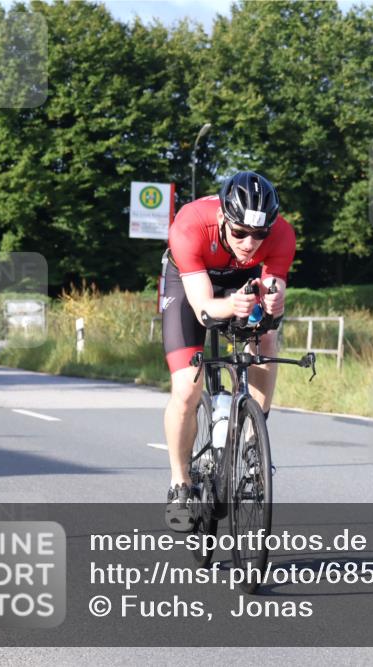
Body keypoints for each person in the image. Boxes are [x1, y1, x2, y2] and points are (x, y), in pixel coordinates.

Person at [161, 171, 295, 531]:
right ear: (223, 218)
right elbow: (204, 308)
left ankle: (252, 447)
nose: (250, 243)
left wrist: (274, 302)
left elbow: (273, 288)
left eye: (259, 235)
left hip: (242, 282)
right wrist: (231, 305)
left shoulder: (282, 233)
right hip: (191, 281)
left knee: (267, 338)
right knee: (187, 388)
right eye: (239, 233)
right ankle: (180, 483)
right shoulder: (189, 226)